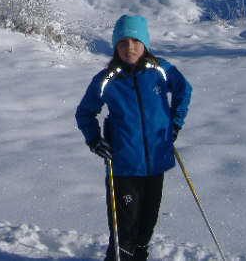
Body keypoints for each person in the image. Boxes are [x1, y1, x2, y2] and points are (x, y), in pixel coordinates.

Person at [75, 15, 192, 261]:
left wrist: (175, 124)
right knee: (124, 230)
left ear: (145, 44)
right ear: (115, 46)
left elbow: (184, 90)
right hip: (123, 166)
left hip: (156, 162)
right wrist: (94, 140)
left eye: (136, 41)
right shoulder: (107, 79)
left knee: (146, 225)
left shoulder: (161, 70)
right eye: (123, 42)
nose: (130, 47)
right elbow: (85, 112)